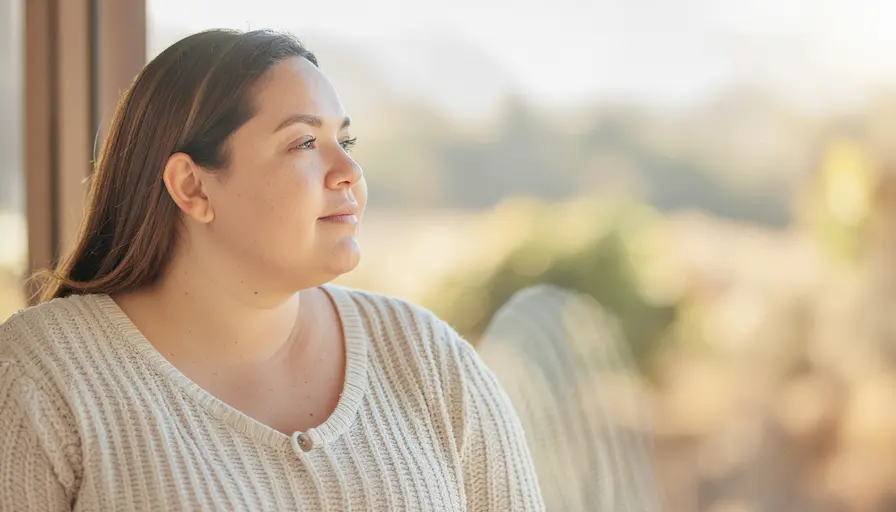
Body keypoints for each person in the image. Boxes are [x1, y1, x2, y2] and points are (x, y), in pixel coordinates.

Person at [0, 29, 543, 511]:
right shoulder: (37, 378)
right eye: (305, 142)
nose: (350, 170)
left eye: (345, 141)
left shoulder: (429, 361)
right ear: (192, 186)